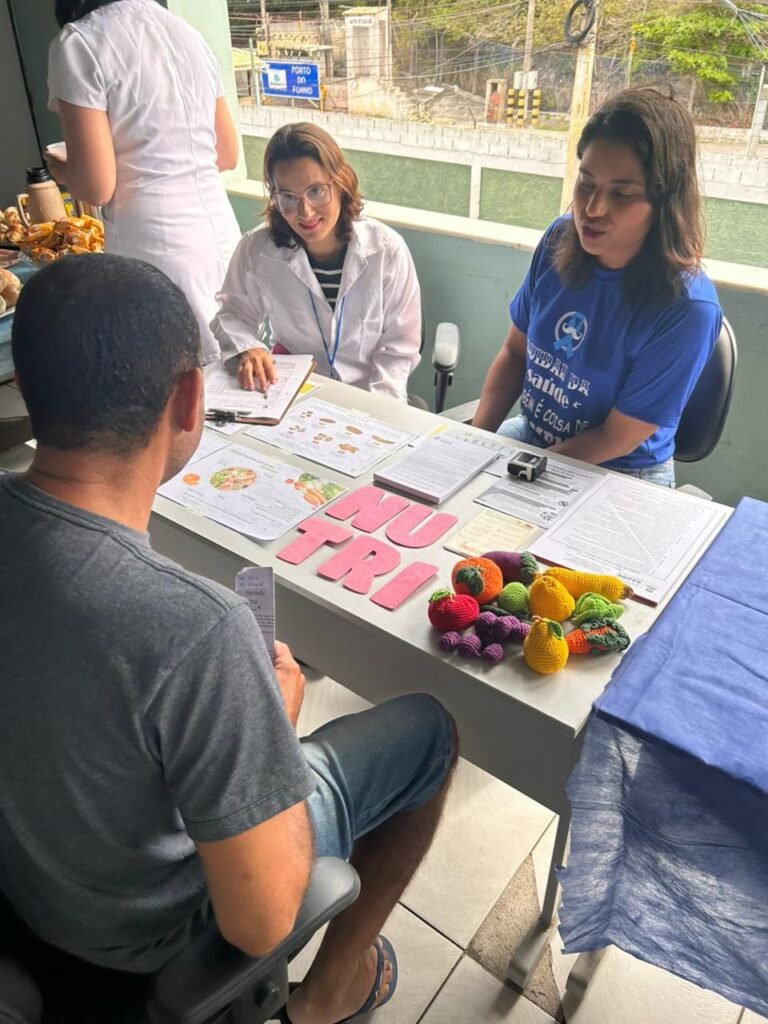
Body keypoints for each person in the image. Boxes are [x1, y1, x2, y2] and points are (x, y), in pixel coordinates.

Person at [0, 254, 457, 1024]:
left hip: (29, 889)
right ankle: (329, 995)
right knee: (430, 735)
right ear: (190, 399)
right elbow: (263, 917)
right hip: (142, 939)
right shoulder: (199, 629)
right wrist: (269, 725)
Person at [473, 87, 723, 487]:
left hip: (621, 469)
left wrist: (520, 476)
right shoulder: (559, 239)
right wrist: (474, 441)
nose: (593, 210)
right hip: (533, 439)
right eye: (586, 184)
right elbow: (514, 353)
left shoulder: (686, 309)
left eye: (622, 194)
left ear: (664, 202)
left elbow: (618, 436)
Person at [46, 0, 242, 364]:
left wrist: (63, 170)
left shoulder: (79, 42)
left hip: (155, 247)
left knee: (175, 382)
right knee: (243, 375)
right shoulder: (188, 34)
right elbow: (227, 154)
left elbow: (95, 187)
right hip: (223, 240)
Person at [211, 123, 422, 403]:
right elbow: (232, 314)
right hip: (290, 394)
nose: (305, 211)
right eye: (287, 197)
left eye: (316, 191)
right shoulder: (256, 249)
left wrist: (378, 413)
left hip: (368, 396)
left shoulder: (386, 251)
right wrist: (247, 347)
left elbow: (398, 350)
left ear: (341, 181)